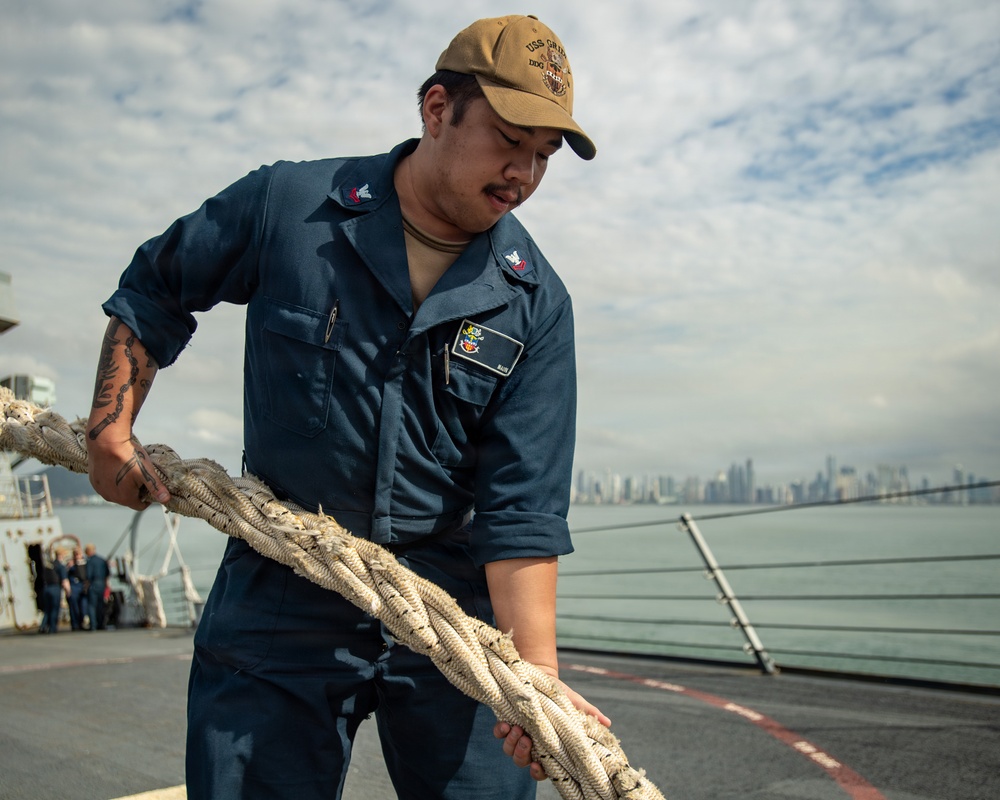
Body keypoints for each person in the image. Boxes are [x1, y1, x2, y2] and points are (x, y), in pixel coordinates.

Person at [86, 14, 606, 800]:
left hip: (448, 610)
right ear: (437, 110)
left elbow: (521, 508)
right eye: (509, 139)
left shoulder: (535, 303)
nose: (524, 174)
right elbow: (159, 287)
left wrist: (533, 685)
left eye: (544, 156)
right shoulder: (290, 208)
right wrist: (107, 430)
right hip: (284, 575)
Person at [39, 548, 69, 634]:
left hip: (46, 588)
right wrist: (68, 591)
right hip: (55, 588)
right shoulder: (61, 566)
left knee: (47, 609)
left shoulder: (49, 565)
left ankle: (43, 626)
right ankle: (52, 628)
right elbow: (64, 581)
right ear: (62, 555)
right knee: (55, 609)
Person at [84, 543, 110, 631]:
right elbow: (107, 574)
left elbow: (88, 575)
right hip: (102, 584)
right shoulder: (102, 560)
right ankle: (101, 624)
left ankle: (93, 625)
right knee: (100, 605)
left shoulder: (90, 561)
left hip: (93, 584)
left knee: (92, 605)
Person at [66, 546, 88, 630]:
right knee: (74, 607)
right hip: (74, 586)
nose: (77, 556)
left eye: (78, 554)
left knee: (83, 606)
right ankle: (75, 624)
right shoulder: (71, 565)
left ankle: (81, 621)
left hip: (82, 586)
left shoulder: (85, 563)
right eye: (75, 554)